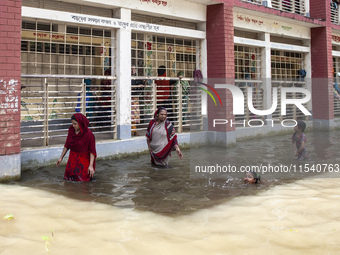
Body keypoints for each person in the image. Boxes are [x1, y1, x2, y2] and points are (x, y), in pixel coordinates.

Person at [56, 113, 97, 181]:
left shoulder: (89, 135)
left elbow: (92, 151)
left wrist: (90, 166)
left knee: (83, 181)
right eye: (72, 124)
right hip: (72, 159)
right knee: (69, 180)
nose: (73, 126)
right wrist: (61, 158)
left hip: (83, 161)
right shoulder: (71, 131)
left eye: (75, 124)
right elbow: (67, 145)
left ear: (80, 123)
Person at [131, 65, 145, 136]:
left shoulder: (136, 77)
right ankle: (134, 130)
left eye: (134, 69)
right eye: (132, 69)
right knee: (131, 114)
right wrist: (137, 86)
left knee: (135, 115)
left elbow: (142, 83)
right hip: (130, 98)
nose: (133, 70)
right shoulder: (128, 77)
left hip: (136, 97)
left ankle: (134, 130)